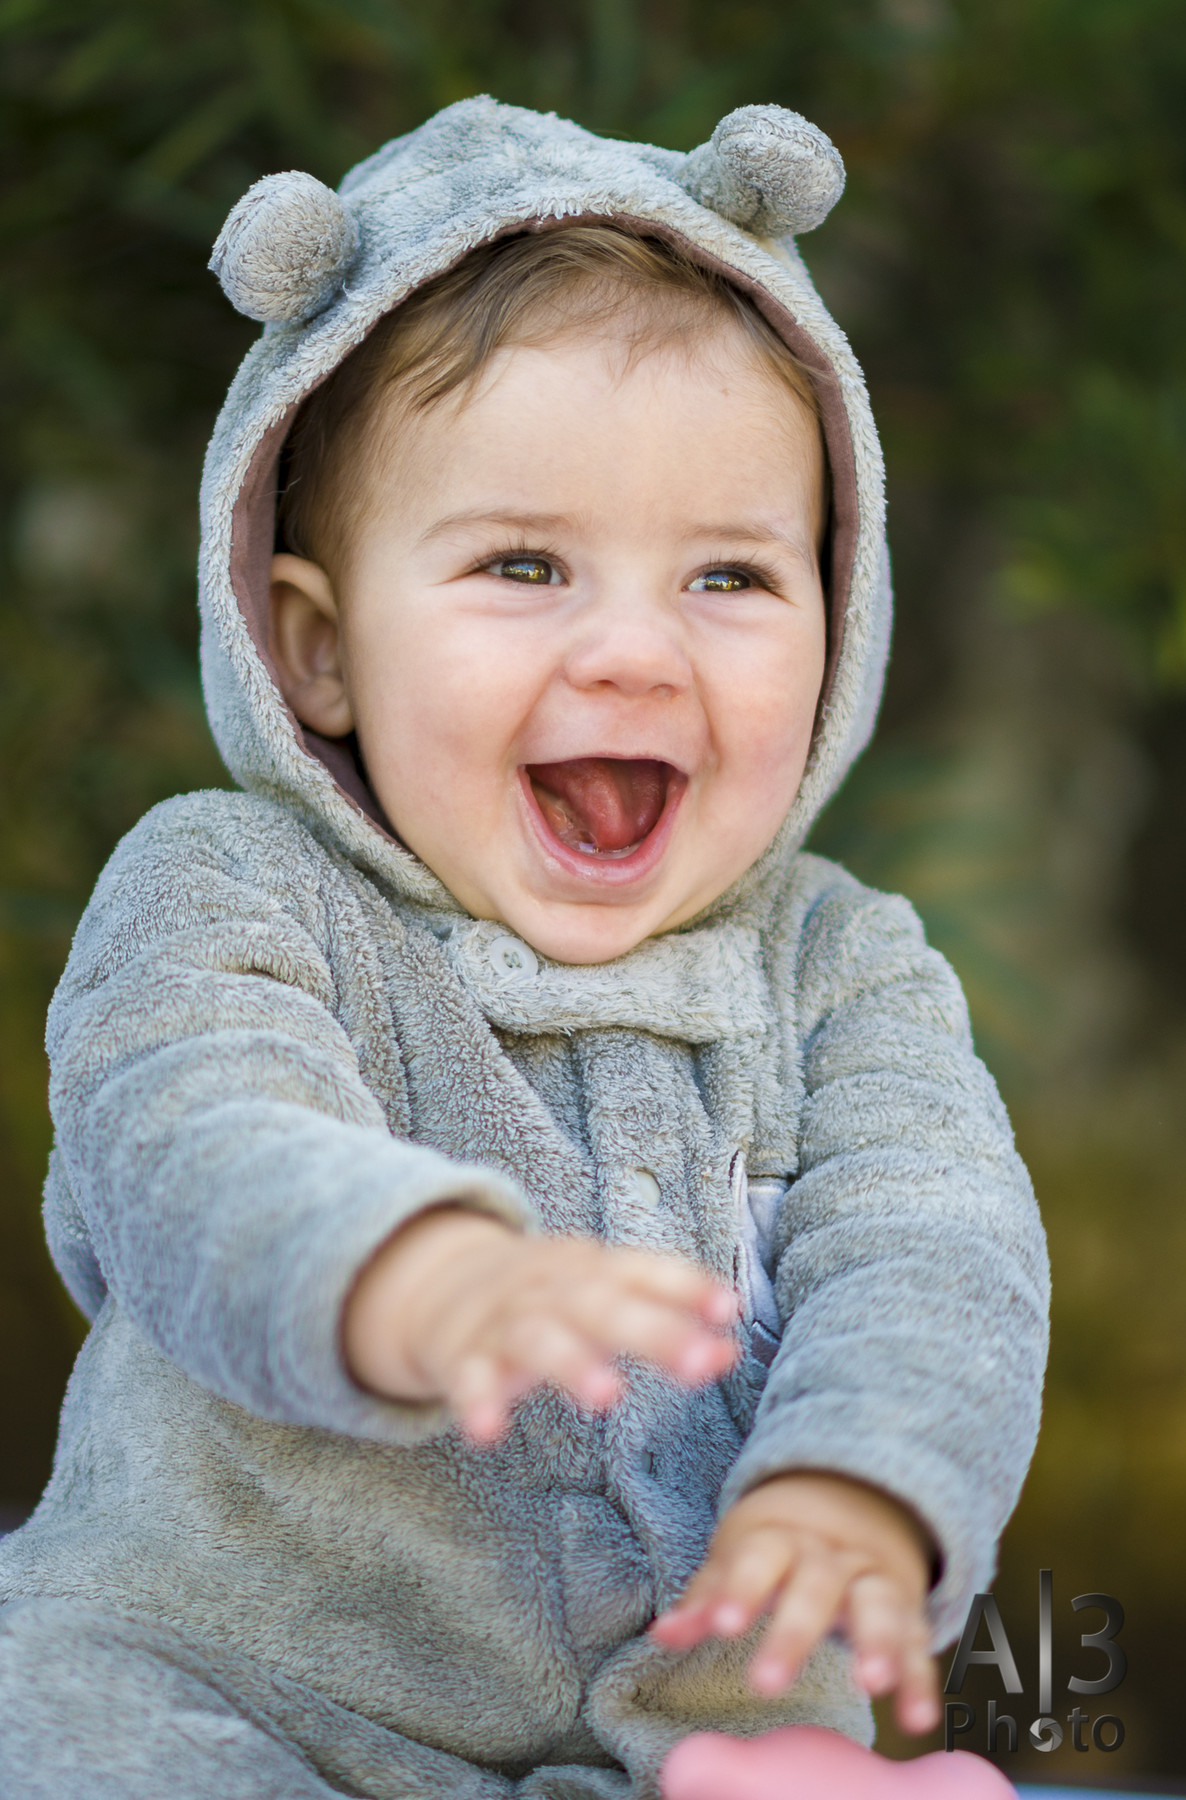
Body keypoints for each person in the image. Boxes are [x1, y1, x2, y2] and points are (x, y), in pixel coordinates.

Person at [0, 98, 1049, 1799]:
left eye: (728, 577)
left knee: (767, 1749)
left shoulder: (841, 961)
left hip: (679, 1726)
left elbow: (939, 1243)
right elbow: (182, 1133)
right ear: (319, 652)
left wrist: (863, 1481)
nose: (633, 649)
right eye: (522, 564)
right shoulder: (230, 883)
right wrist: (414, 1274)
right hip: (231, 1682)